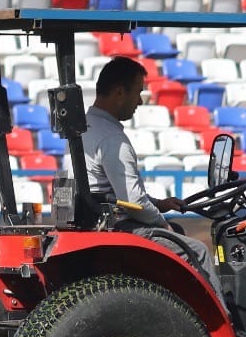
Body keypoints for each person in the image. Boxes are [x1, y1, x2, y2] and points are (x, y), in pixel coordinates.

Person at [80, 56, 223, 297]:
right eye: (138, 93)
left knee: (177, 230)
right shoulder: (112, 139)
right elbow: (133, 202)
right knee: (197, 251)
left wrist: (159, 204)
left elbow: (113, 191)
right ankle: (223, 318)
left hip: (101, 218)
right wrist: (162, 222)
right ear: (119, 93)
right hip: (117, 226)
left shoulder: (85, 127)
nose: (139, 102)